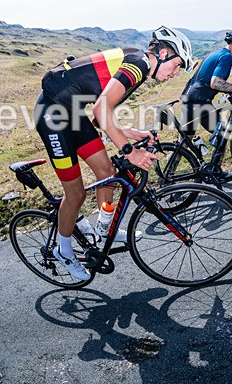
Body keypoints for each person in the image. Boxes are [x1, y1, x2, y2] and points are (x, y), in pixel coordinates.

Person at [35, 26, 194, 280]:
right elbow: (100, 110)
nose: (176, 73)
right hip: (52, 116)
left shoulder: (137, 66)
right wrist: (129, 152)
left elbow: (101, 117)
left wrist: (132, 133)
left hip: (72, 113)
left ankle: (103, 228)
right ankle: (63, 250)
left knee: (106, 171)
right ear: (163, 53)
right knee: (74, 193)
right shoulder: (139, 64)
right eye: (177, 65)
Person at [179, 31, 232, 177]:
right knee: (224, 132)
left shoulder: (216, 53)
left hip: (188, 97)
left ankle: (168, 176)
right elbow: (215, 83)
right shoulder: (227, 56)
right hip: (200, 101)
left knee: (185, 142)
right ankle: (215, 172)